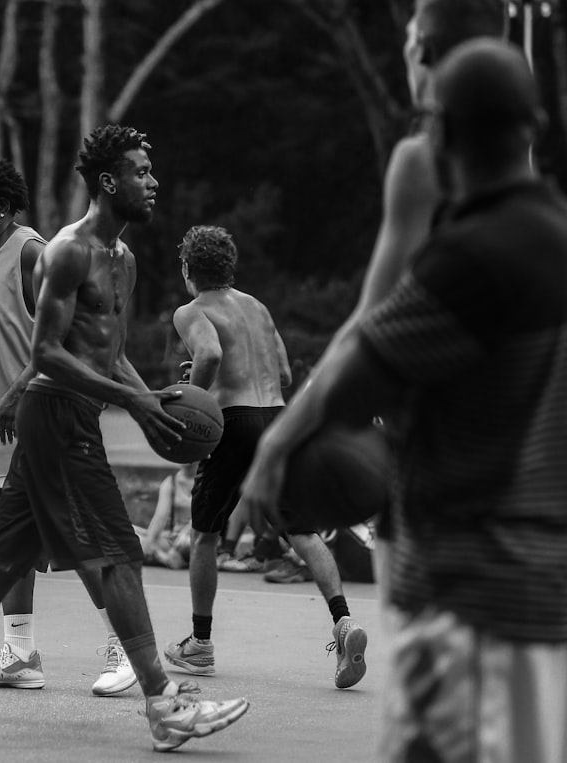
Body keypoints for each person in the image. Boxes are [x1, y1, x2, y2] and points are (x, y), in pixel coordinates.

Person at [245, 38, 567, 762]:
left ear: (440, 135)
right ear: (536, 126)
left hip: (463, 596)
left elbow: (355, 387)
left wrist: (283, 453)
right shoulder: (557, 238)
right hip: (543, 597)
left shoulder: (467, 260)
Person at [0, 125, 249, 751]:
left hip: (74, 414)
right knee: (115, 553)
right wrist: (130, 399)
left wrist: (147, 399)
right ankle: (163, 702)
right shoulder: (66, 252)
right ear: (109, 182)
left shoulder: (125, 259)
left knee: (5, 559)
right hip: (55, 415)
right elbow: (47, 352)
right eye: (141, 170)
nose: (153, 181)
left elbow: (108, 353)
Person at [240, 0, 507, 605]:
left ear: (423, 53)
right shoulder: (526, 171)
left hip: (439, 476)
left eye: (411, 35)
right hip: (519, 484)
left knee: (433, 690)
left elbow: (371, 322)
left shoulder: (426, 159)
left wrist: (280, 443)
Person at [0, 153, 136, 696]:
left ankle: (121, 648)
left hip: (39, 420)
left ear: (5, 206)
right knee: (6, 550)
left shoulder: (31, 252)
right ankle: (20, 653)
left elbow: (65, 339)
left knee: (75, 538)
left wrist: (15, 393)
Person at [162, 225, 366, 689]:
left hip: (234, 423)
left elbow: (210, 351)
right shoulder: (257, 307)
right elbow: (286, 373)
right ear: (230, 267)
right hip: (276, 418)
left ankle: (200, 644)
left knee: (206, 534)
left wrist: (193, 394)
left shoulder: (189, 310)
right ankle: (344, 622)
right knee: (301, 528)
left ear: (188, 270)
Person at [135, 462, 195, 570]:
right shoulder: (170, 482)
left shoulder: (206, 481)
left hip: (194, 537)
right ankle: (161, 556)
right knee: (130, 532)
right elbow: (160, 518)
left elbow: (203, 517)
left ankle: (163, 556)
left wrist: (186, 532)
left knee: (186, 543)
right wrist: (149, 541)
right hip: (172, 539)